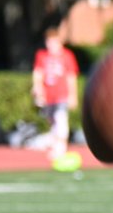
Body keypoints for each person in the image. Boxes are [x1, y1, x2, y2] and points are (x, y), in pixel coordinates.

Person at [32, 26, 79, 163]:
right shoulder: (42, 55)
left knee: (61, 119)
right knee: (52, 121)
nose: (51, 45)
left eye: (54, 42)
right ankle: (55, 144)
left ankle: (61, 148)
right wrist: (37, 88)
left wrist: (73, 95)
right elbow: (38, 74)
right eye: (49, 42)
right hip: (48, 96)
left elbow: (71, 77)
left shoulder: (67, 56)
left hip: (62, 95)